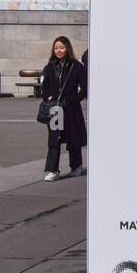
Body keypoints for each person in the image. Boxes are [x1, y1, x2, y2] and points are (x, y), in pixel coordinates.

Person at [41, 35, 88, 182]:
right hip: (55, 109)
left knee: (73, 138)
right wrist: (48, 97)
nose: (59, 50)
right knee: (54, 140)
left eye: (61, 47)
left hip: (71, 108)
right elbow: (45, 87)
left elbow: (85, 89)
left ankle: (77, 166)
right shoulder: (50, 66)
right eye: (56, 48)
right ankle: (52, 170)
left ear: (67, 48)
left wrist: (74, 100)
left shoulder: (76, 66)